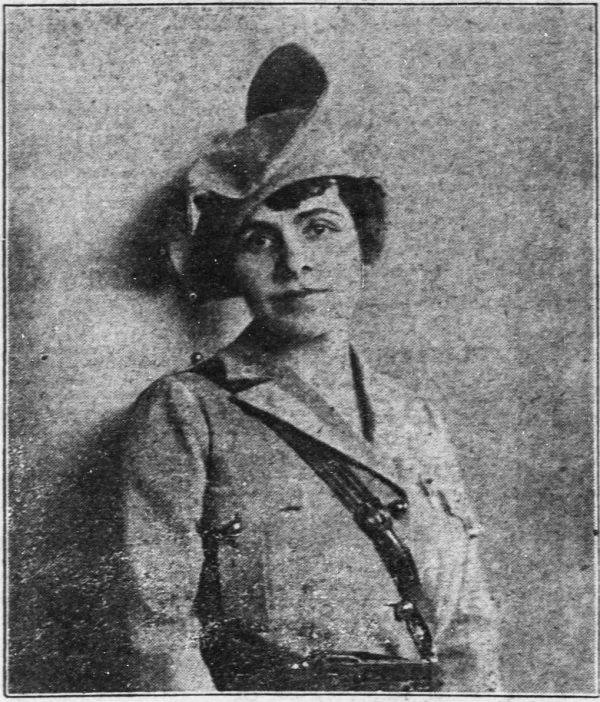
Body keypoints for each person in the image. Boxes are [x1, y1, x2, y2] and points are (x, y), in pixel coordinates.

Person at [122, 43, 500, 692]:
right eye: (258, 239)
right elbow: (158, 637)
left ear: (363, 243)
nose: (294, 262)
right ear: (231, 269)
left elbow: (468, 632)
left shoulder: (417, 418)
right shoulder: (187, 410)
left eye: (319, 228)